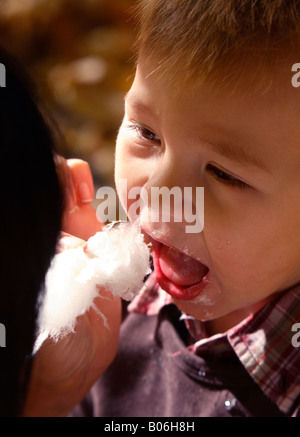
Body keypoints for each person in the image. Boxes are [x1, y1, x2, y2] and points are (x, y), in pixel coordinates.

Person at [26, 0, 300, 416]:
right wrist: (48, 393)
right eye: (146, 133)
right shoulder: (107, 316)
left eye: (224, 174)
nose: (159, 198)